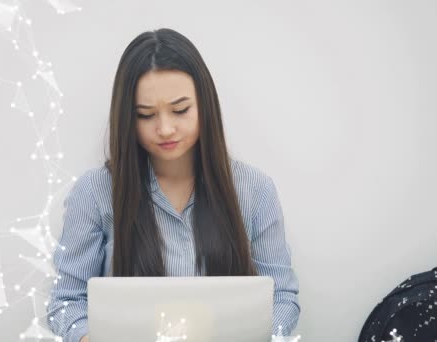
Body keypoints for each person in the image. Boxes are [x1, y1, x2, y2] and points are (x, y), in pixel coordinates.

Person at [46, 28, 300, 342]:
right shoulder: (96, 192)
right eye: (145, 115)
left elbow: (282, 297)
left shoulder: (254, 189)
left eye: (180, 110)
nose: (165, 129)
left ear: (205, 105)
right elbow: (66, 302)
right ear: (127, 117)